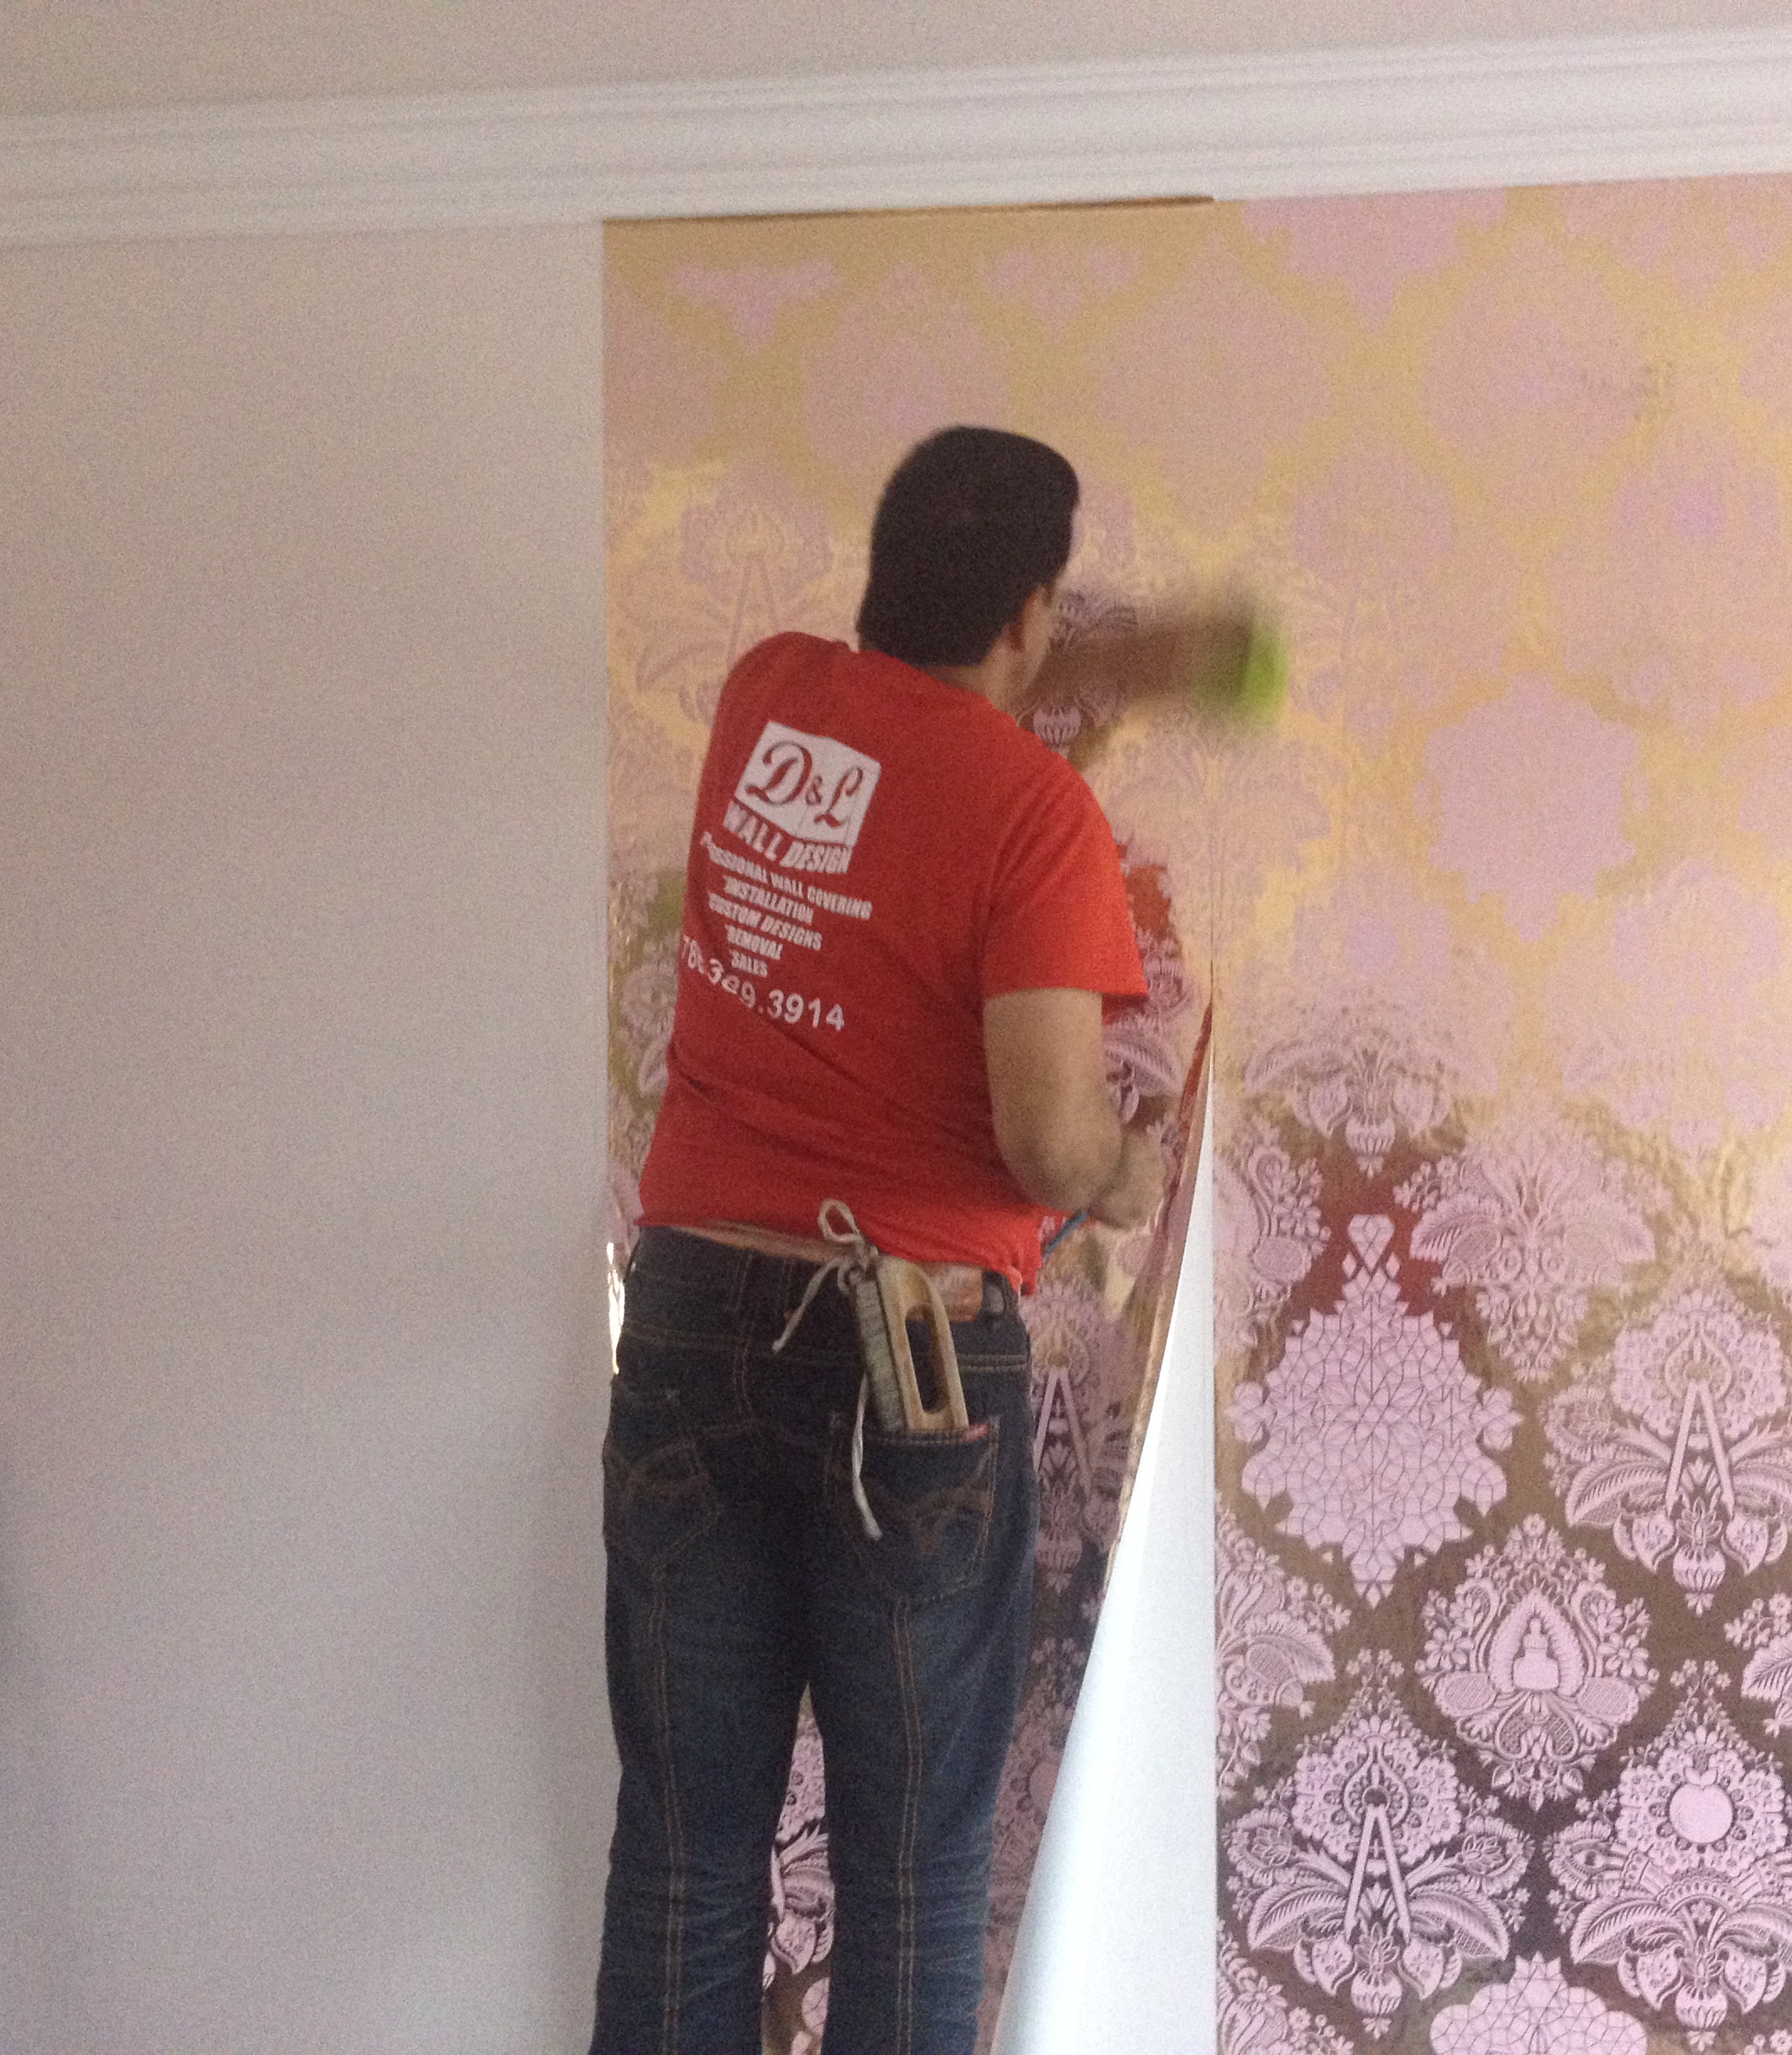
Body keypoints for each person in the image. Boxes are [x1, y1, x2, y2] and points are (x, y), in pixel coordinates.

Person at [593, 426, 1171, 2055]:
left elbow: (904, 762)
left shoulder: (768, 699)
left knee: (686, 1851)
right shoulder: (1039, 818)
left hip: (693, 1312)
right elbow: (1044, 1137)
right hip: (903, 1361)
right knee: (909, 1874)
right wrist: (1124, 1173)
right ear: (1030, 614)